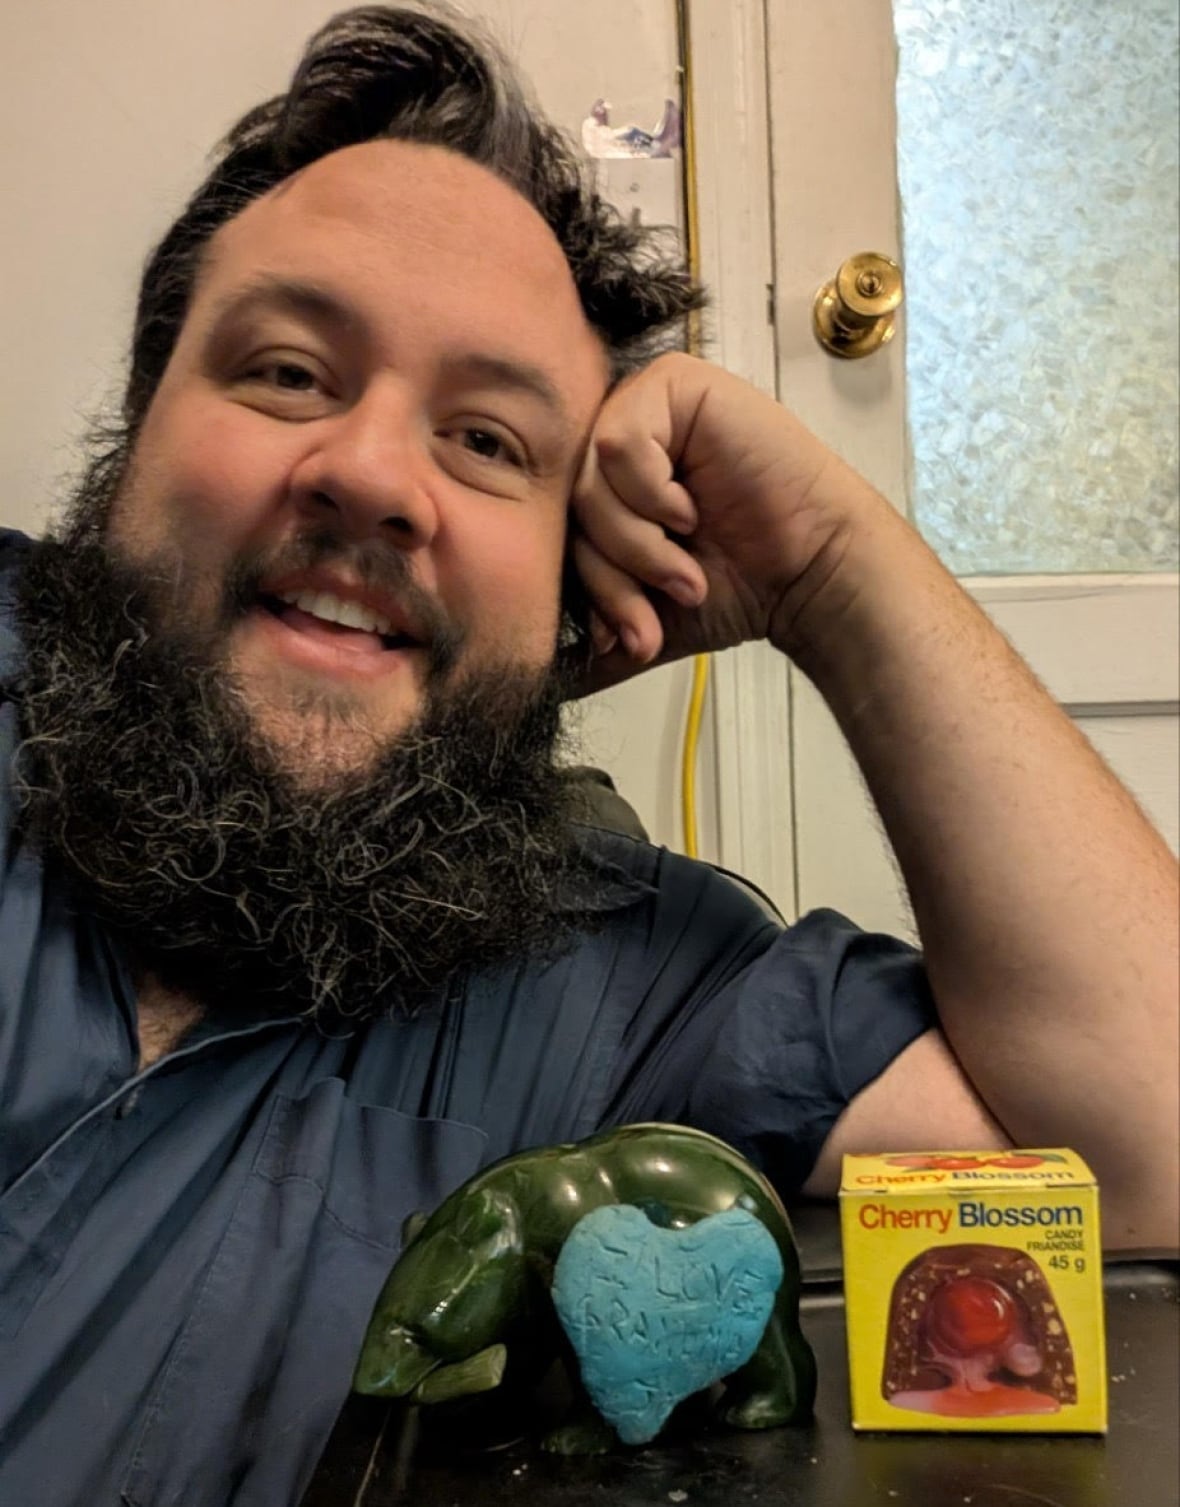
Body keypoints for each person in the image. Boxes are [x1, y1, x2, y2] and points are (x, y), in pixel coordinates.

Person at [0, 6, 1175, 1504]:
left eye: (491, 442)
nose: (369, 472)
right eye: (290, 373)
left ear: (571, 576)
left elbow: (1151, 1153)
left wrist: (832, 568)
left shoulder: (629, 971)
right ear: (137, 429)